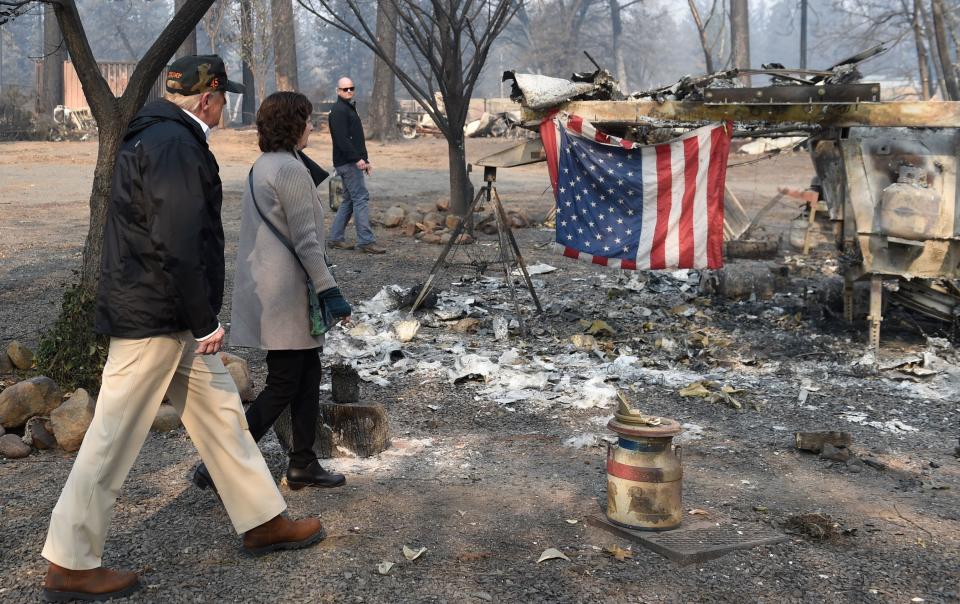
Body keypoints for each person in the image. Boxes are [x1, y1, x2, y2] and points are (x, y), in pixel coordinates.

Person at [40, 56, 326, 603]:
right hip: (157, 317)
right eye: (223, 98)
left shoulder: (160, 136)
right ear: (206, 98)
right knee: (112, 435)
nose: (227, 107)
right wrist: (205, 320)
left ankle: (263, 519)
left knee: (222, 418)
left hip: (165, 313)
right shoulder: (173, 145)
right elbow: (177, 240)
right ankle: (70, 564)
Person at [192, 91, 351, 494]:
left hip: (270, 288)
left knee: (307, 375)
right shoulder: (289, 170)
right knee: (284, 382)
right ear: (292, 125)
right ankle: (220, 460)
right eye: (307, 120)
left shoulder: (264, 165)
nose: (312, 126)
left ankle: (303, 462)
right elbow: (308, 242)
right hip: (286, 295)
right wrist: (330, 291)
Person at [326, 76, 386, 254]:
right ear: (338, 91)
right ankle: (366, 241)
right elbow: (342, 140)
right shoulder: (338, 110)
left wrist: (364, 159)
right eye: (345, 89)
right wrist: (357, 159)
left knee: (350, 200)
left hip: (351, 161)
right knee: (360, 199)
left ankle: (336, 238)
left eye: (351, 88)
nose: (349, 91)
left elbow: (356, 138)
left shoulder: (347, 108)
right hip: (348, 163)